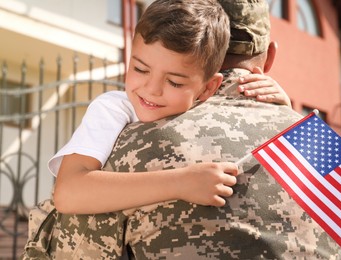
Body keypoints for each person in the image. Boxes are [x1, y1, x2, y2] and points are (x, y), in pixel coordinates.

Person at [22, 0, 293, 259]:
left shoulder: (199, 109)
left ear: (208, 88)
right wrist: (180, 182)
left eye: (174, 82)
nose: (151, 89)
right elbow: (68, 192)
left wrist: (284, 108)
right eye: (139, 69)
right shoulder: (115, 108)